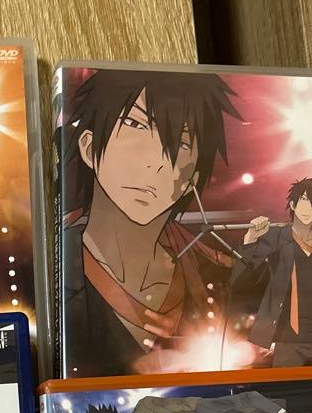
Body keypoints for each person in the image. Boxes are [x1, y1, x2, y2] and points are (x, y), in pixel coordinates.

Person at [59, 69, 240, 376]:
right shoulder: (57, 270)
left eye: (182, 141)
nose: (154, 161)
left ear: (191, 179)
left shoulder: (215, 274)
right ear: (89, 147)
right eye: (134, 124)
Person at [233, 177, 312, 366]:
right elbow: (241, 278)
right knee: (288, 383)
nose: (308, 208)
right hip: (288, 339)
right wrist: (250, 239)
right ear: (293, 205)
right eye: (303, 200)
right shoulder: (277, 238)